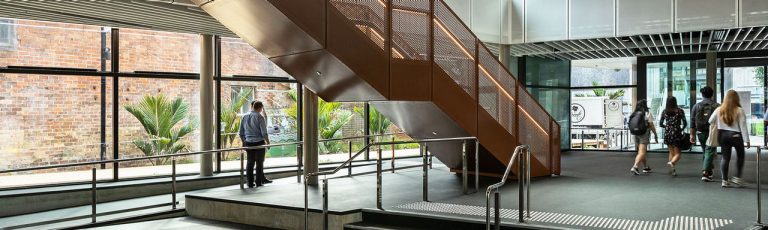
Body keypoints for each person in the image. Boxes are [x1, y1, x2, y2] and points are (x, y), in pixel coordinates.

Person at [709, 90, 750, 187]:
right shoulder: (739, 110)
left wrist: (719, 124)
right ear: (736, 98)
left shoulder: (719, 109)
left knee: (725, 158)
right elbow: (743, 126)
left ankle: (724, 180)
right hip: (736, 136)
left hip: (722, 135)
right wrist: (746, 140)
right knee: (740, 156)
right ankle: (737, 178)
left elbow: (710, 121)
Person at [239, 101, 272, 188]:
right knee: (259, 163)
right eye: (262, 108)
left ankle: (249, 182)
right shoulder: (259, 117)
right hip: (259, 143)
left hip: (248, 143)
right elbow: (264, 133)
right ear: (260, 107)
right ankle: (258, 182)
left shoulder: (244, 116)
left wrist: (244, 142)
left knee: (250, 163)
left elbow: (241, 132)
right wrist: (268, 143)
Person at [689, 86, 719, 182]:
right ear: (712, 94)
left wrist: (692, 135)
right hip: (712, 131)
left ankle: (709, 171)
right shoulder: (717, 106)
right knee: (709, 151)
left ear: (702, 95)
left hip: (700, 132)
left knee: (706, 151)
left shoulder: (696, 106)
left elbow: (692, 121)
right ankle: (706, 173)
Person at [630, 100, 659, 175]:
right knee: (642, 152)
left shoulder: (633, 114)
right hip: (644, 134)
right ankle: (635, 166)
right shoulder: (647, 113)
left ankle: (645, 167)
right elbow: (651, 125)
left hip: (635, 134)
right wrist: (655, 135)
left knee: (641, 152)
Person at [659, 96, 686, 176]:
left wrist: (667, 127)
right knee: (678, 154)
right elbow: (685, 123)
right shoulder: (680, 111)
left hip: (667, 133)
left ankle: (672, 170)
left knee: (671, 152)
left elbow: (660, 124)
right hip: (676, 133)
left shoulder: (664, 111)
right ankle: (672, 162)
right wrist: (681, 129)